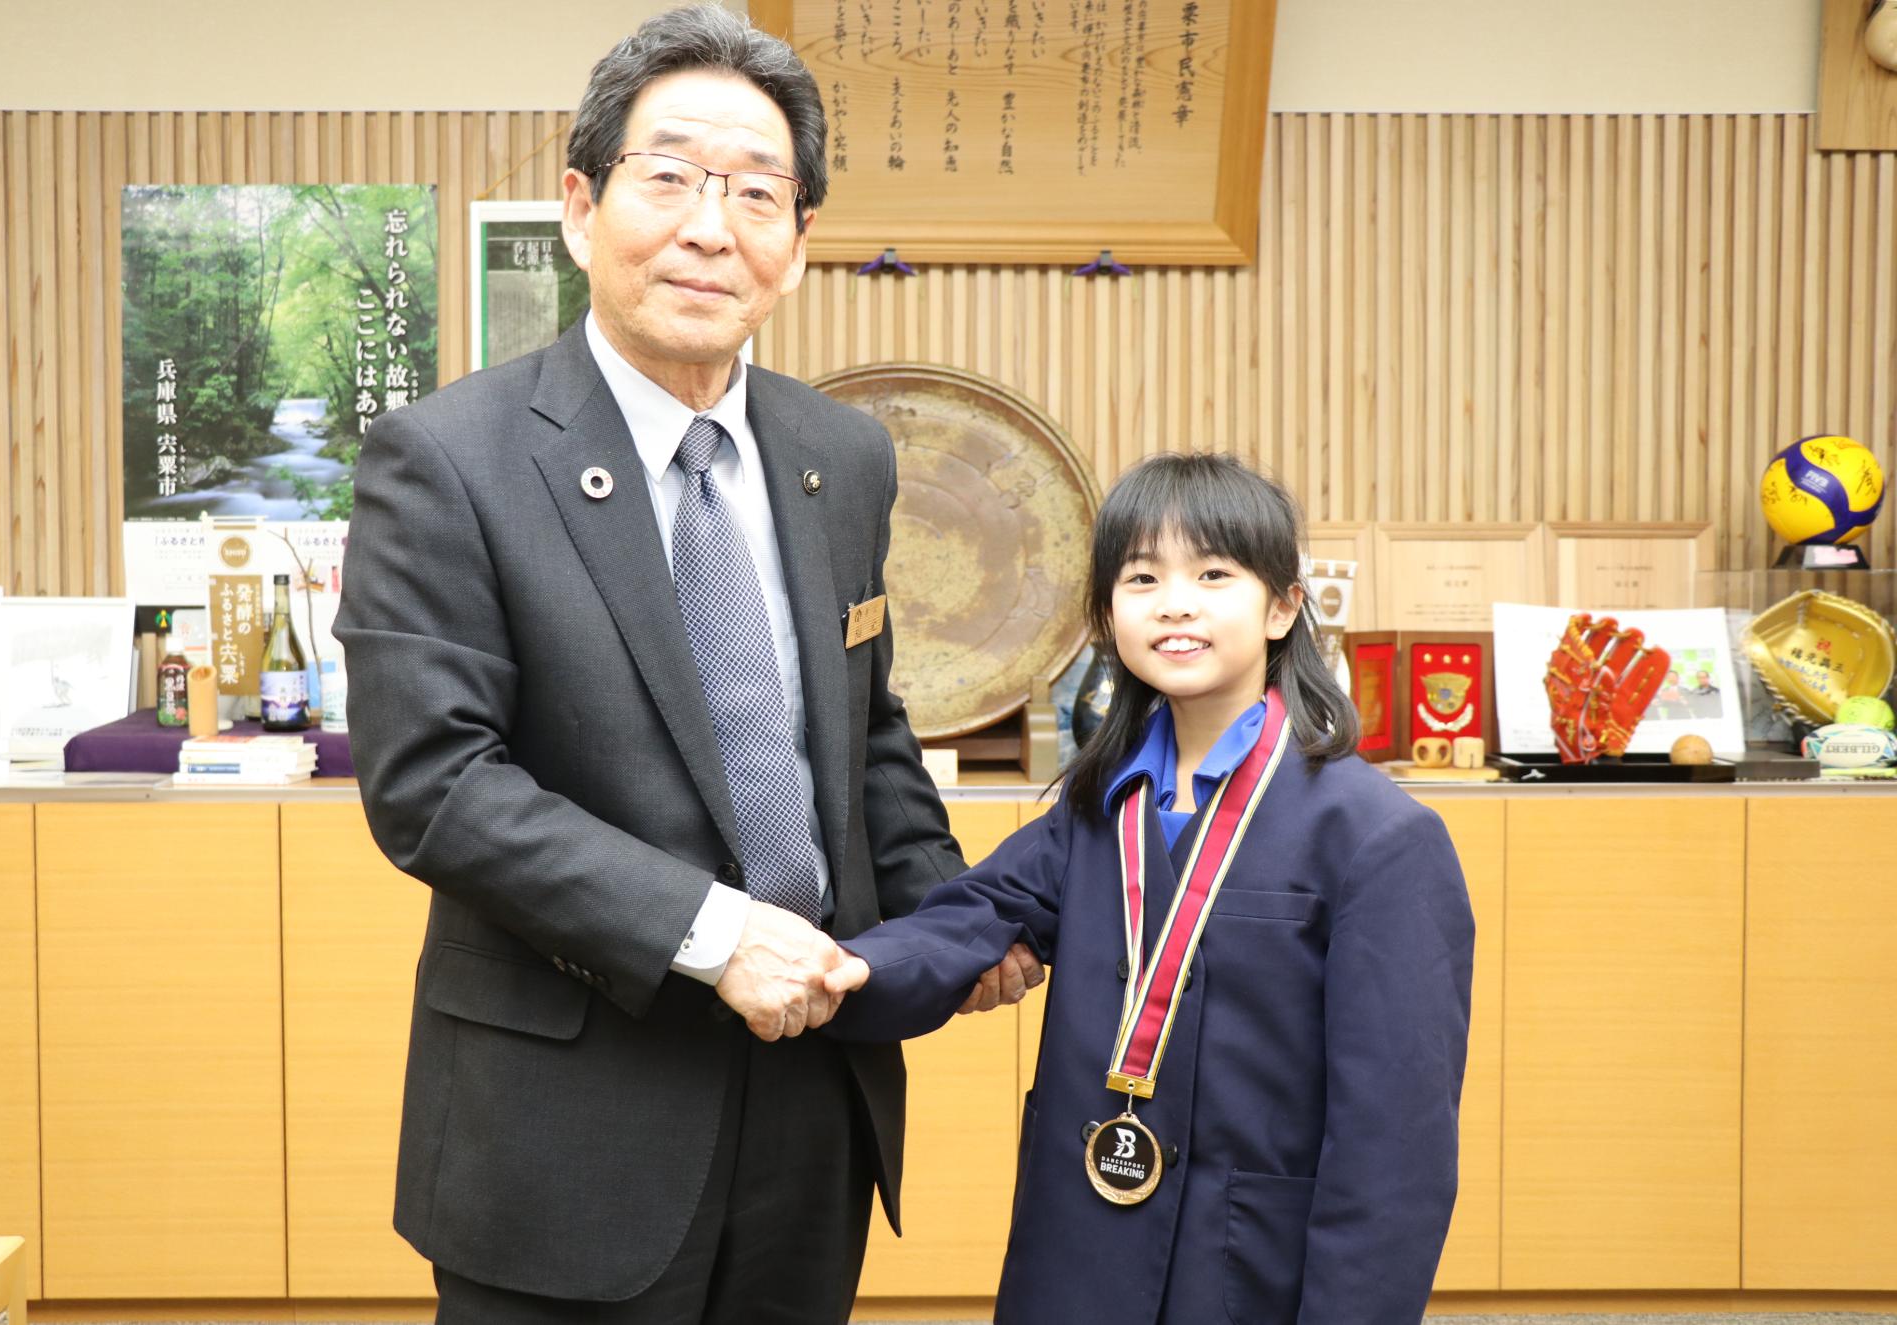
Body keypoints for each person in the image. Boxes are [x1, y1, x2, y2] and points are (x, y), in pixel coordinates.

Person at [336, 8, 1036, 1322]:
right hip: (571, 1125)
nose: (712, 227)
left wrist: (952, 915)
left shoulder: (845, 457)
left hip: (812, 1101)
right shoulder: (450, 460)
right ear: (580, 204)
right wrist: (714, 940)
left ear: (800, 239)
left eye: (758, 193)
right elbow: (436, 784)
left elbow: (861, 732)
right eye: (671, 178)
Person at [825, 453, 1476, 1324]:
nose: (1176, 601)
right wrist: (836, 973)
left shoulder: (1378, 837)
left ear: (1284, 605)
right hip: (1076, 1261)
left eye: (1213, 573)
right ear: (1107, 615)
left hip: (1250, 1273)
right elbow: (967, 916)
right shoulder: (1098, 808)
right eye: (1142, 577)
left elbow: (1394, 1150)